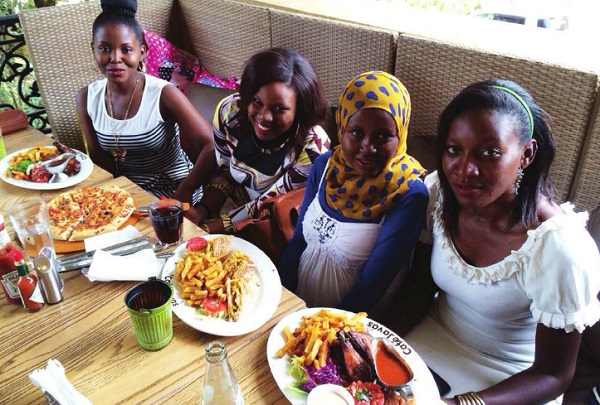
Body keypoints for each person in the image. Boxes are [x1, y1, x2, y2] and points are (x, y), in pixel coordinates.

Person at [389, 79, 600, 404]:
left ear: (526, 154)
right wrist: (371, 337)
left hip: (511, 381)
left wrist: (460, 404)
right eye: (454, 150)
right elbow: (418, 287)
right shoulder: (440, 198)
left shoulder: (559, 248)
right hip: (430, 342)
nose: (465, 169)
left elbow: (554, 375)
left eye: (489, 152)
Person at [278, 71, 428, 314]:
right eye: (356, 133)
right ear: (342, 129)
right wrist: (282, 301)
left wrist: (324, 330)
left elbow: (373, 283)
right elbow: (298, 242)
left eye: (383, 136)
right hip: (298, 308)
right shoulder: (326, 166)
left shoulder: (408, 193)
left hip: (351, 322)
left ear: (400, 135)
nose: (368, 147)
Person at [76, 0, 214, 204]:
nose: (115, 58)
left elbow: (210, 145)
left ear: (142, 51)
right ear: (93, 50)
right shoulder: (86, 98)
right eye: (105, 48)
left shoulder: (163, 94)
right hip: (127, 197)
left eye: (126, 49)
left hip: (175, 193)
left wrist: (184, 192)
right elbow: (100, 161)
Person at [189, 47, 330, 232]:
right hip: (233, 211)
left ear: (300, 109)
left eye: (279, 109)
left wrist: (206, 230)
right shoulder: (229, 113)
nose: (264, 117)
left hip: (280, 227)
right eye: (257, 101)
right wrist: (201, 210)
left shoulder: (314, 148)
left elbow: (268, 205)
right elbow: (225, 170)